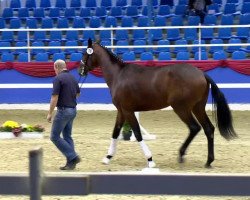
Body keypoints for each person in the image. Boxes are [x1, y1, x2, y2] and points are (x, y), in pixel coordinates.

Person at [47, 59, 81, 170]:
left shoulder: (58, 79)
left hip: (63, 111)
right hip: (73, 110)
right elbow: (78, 94)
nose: (54, 71)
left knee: (54, 136)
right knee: (67, 136)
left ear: (57, 67)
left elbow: (54, 97)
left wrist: (50, 113)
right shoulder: (73, 78)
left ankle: (73, 156)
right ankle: (71, 163)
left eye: (54, 69)